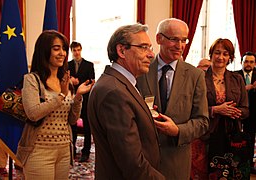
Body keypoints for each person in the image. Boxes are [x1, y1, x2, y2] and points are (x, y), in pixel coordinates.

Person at [87, 24, 165, 180]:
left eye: (150, 47)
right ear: (121, 51)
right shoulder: (115, 92)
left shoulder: (121, 83)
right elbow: (132, 163)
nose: (151, 54)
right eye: (144, 47)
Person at [136, 18, 209, 180]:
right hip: (143, 160)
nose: (180, 46)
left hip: (176, 162)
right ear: (158, 39)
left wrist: (177, 131)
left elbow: (202, 121)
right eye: (174, 39)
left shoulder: (195, 76)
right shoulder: (140, 70)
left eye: (184, 40)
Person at [16, 30, 94, 179]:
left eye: (64, 49)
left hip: (64, 150)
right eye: (56, 48)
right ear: (44, 51)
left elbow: (71, 120)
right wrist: (61, 96)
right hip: (39, 150)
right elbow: (33, 113)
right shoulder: (32, 80)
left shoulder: (65, 80)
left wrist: (78, 96)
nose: (62, 53)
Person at [205, 38, 249, 179]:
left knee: (230, 174)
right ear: (211, 54)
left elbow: (246, 109)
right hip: (206, 135)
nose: (221, 57)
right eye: (217, 53)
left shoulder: (237, 79)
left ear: (230, 57)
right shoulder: (199, 77)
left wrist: (235, 112)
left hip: (232, 135)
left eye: (225, 54)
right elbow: (192, 109)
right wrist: (215, 110)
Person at [68, 41, 95, 162]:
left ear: (81, 50)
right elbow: (63, 78)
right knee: (72, 124)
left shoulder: (89, 65)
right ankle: (72, 149)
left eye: (78, 50)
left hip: (86, 98)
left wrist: (78, 82)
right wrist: (70, 80)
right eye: (74, 50)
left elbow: (91, 80)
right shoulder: (67, 65)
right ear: (71, 51)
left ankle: (86, 151)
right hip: (71, 98)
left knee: (87, 126)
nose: (76, 52)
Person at [190, 58, 212, 180]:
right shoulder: (191, 81)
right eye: (203, 66)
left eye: (208, 67)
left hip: (212, 132)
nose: (205, 69)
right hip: (194, 133)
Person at [235, 51, 256, 173]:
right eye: (246, 61)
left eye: (251, 62)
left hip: (253, 114)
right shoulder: (235, 75)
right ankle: (237, 161)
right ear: (241, 62)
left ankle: (248, 163)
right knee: (236, 137)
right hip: (237, 112)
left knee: (250, 138)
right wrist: (248, 88)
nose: (248, 64)